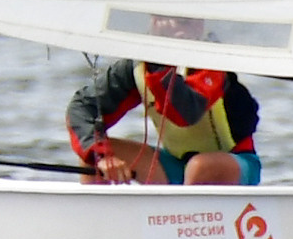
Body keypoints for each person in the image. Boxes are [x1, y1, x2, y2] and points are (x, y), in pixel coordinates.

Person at [67, 58, 261, 186]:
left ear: (198, 25)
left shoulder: (210, 64)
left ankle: (184, 232)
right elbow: (82, 108)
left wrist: (157, 71)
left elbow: (186, 113)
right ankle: (100, 228)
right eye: (162, 20)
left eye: (182, 22)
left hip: (233, 164)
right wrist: (101, 157)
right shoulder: (133, 68)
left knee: (200, 166)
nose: (170, 27)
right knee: (94, 155)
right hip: (173, 165)